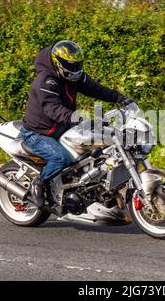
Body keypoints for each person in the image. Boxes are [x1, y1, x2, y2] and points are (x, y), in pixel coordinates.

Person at [20, 40, 134, 208]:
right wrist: (79, 118)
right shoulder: (46, 80)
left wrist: (119, 98)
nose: (74, 69)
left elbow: (96, 89)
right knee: (61, 159)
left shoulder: (74, 75)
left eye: (76, 65)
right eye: (69, 65)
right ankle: (39, 184)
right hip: (38, 133)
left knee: (98, 149)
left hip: (63, 128)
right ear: (58, 63)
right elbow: (53, 109)